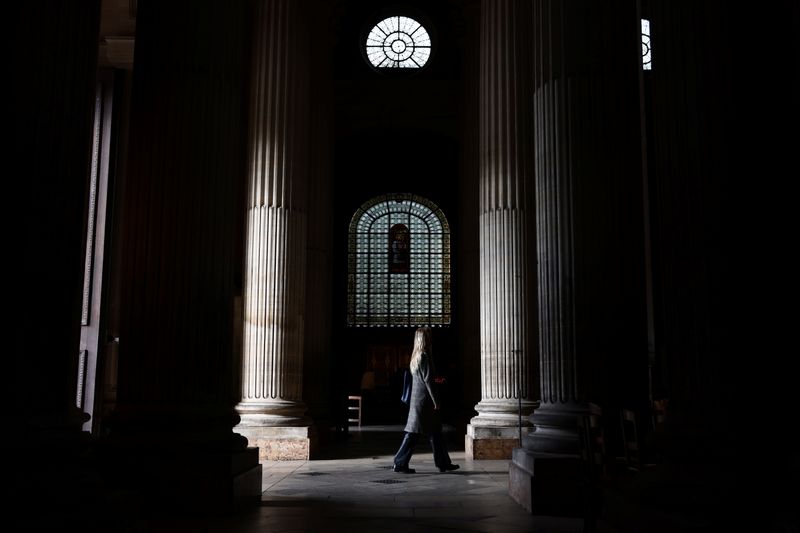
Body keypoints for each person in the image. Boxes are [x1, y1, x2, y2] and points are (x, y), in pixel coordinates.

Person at [392, 326, 459, 474]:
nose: (431, 339)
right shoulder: (424, 357)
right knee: (414, 434)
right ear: (424, 340)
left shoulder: (415, 356)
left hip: (419, 402)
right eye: (429, 337)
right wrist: (436, 401)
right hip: (425, 403)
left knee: (434, 433)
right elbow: (429, 382)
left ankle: (443, 463)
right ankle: (399, 462)